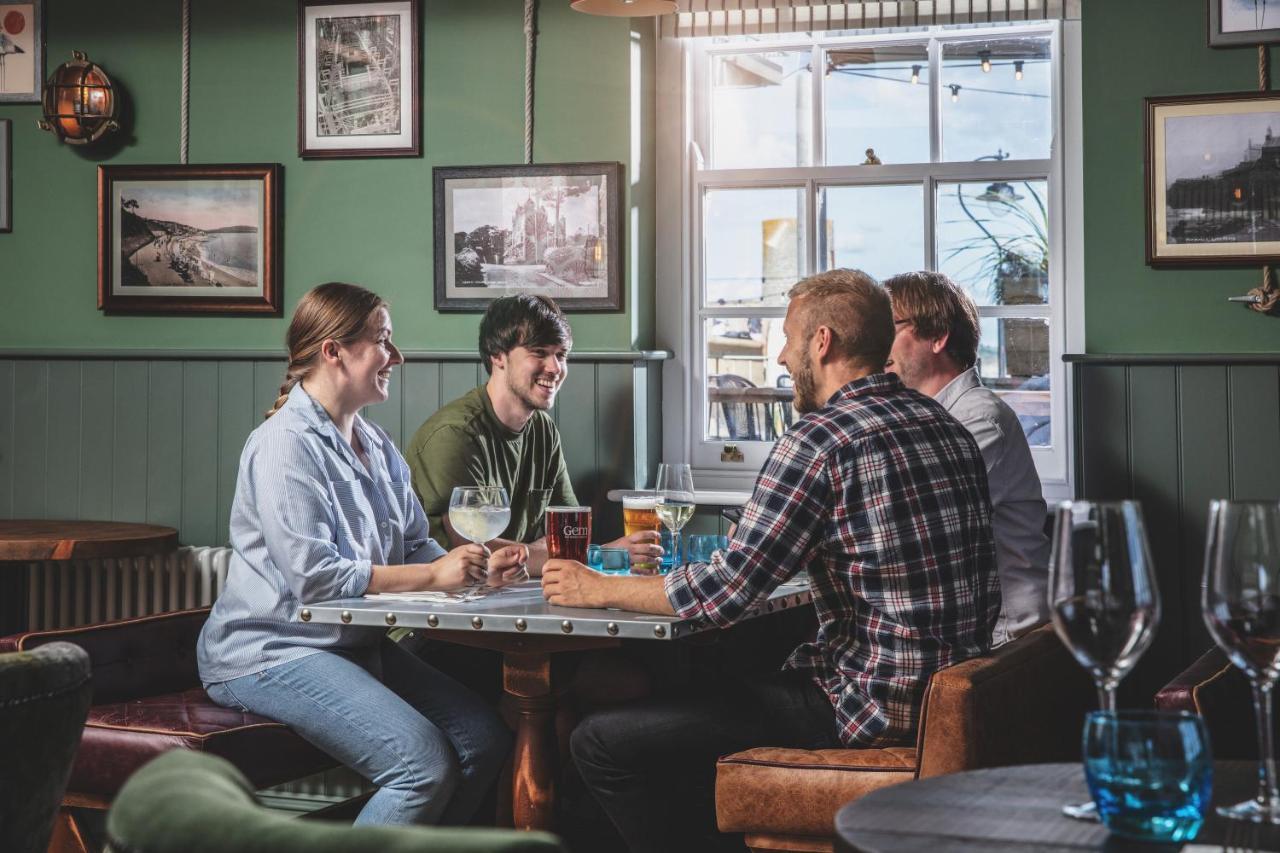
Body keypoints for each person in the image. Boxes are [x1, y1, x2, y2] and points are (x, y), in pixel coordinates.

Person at [541, 269, 999, 852]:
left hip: (867, 709)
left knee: (599, 742)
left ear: (823, 341)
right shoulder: (945, 426)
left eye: (787, 338)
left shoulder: (821, 440)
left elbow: (727, 590)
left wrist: (592, 588)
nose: (781, 356)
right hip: (943, 698)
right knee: (716, 681)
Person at [197, 282, 525, 826]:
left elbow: (416, 541)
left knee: (484, 739)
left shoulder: (374, 444)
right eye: (383, 341)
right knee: (421, 766)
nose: (396, 356)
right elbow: (316, 580)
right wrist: (433, 573)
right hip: (271, 652)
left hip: (348, 645)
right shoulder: (285, 444)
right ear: (333, 351)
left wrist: (473, 571)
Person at [406, 293, 660, 574]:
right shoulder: (454, 435)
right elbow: (473, 549)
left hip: (515, 588)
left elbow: (570, 534)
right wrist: (604, 554)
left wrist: (547, 552)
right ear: (497, 356)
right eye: (539, 352)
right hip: (449, 600)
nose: (555, 368)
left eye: (561, 355)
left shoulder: (543, 429)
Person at [883, 270, 1050, 644]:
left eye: (890, 328)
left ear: (938, 336)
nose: (879, 345)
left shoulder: (979, 418)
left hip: (1005, 642)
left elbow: (911, 521)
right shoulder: (915, 415)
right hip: (959, 629)